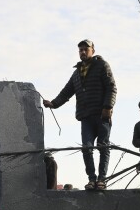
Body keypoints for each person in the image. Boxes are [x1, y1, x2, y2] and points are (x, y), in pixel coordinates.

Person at [43, 39, 117, 191]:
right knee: (86, 148)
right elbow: (67, 91)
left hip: (102, 114)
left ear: (92, 50)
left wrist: (108, 107)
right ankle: (92, 179)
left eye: (86, 49)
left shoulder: (102, 66)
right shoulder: (77, 73)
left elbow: (111, 87)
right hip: (86, 116)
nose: (83, 52)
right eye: (80, 50)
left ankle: (102, 179)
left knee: (103, 147)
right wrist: (54, 104)